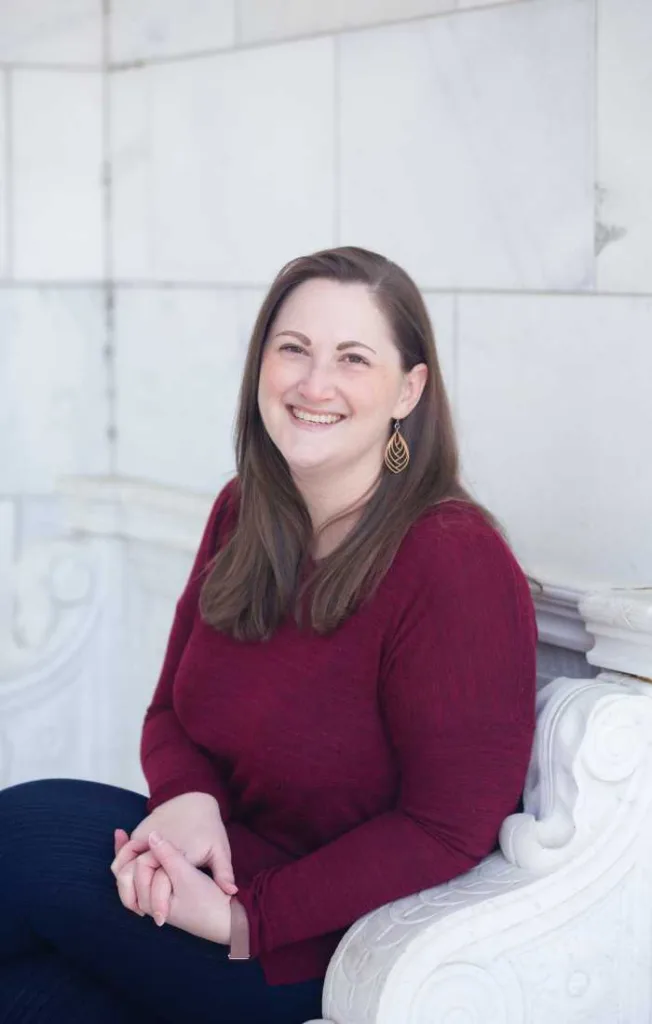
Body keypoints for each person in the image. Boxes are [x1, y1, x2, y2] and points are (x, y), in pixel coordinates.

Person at [0, 246, 537, 1023]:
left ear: (408, 389)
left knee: (24, 837)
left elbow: (447, 827)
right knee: (33, 1001)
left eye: (353, 359)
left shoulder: (452, 560)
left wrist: (245, 918)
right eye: (294, 350)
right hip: (212, 877)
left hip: (323, 943)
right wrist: (187, 800)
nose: (314, 384)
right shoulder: (244, 511)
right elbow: (170, 715)